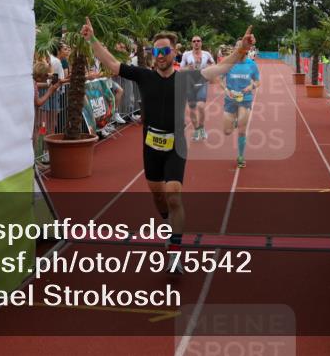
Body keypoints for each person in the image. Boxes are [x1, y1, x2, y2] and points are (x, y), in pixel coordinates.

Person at [83, 18, 254, 273]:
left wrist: (241, 50)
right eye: (156, 51)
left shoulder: (186, 78)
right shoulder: (143, 75)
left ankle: (175, 251)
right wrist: (92, 39)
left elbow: (219, 69)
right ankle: (168, 224)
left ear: (174, 52)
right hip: (150, 147)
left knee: (174, 194)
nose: (160, 55)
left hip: (176, 146)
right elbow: (110, 62)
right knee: (159, 196)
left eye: (165, 51)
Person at [221, 46, 261, 168]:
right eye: (239, 46)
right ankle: (234, 122)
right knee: (227, 131)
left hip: (245, 99)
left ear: (247, 49)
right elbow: (220, 80)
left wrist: (251, 87)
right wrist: (226, 89)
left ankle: (240, 156)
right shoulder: (228, 63)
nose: (241, 48)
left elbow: (258, 81)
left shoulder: (251, 64)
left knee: (242, 130)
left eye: (244, 46)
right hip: (230, 99)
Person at [181, 36, 216, 141]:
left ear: (201, 43)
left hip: (202, 83)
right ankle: (196, 130)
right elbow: (181, 69)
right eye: (194, 41)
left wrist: (207, 69)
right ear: (191, 43)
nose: (196, 43)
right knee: (192, 108)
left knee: (200, 106)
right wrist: (188, 68)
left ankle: (201, 128)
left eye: (198, 41)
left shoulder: (207, 54)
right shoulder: (186, 54)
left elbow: (214, 65)